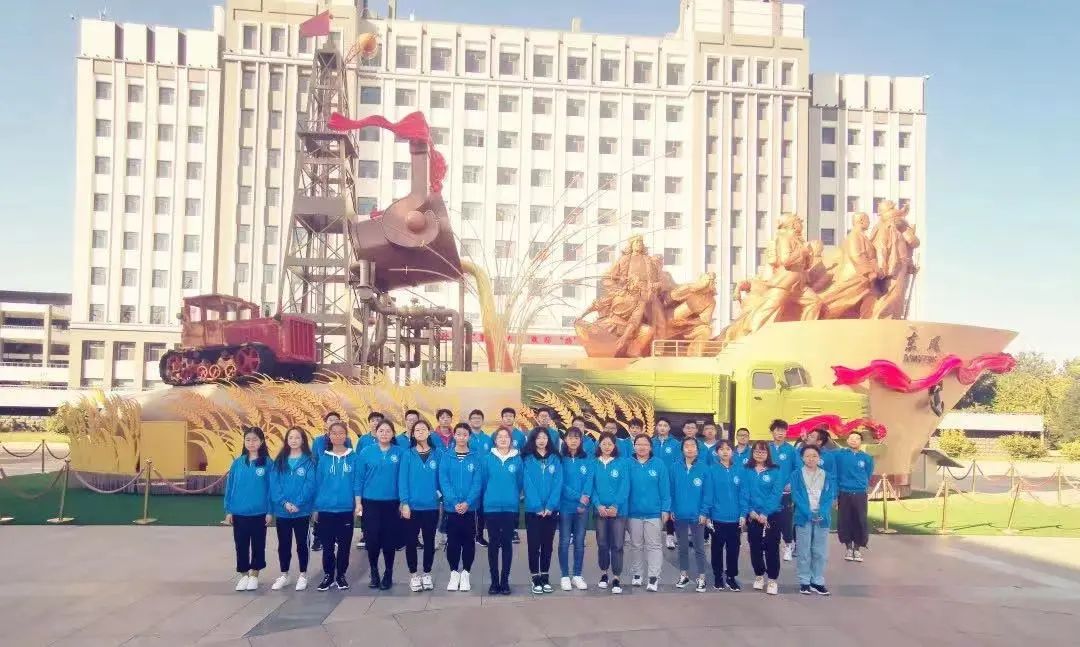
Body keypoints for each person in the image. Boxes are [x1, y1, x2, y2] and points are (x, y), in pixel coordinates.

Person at [312, 421, 361, 591]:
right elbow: (317, 484)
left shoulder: (354, 458)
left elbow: (357, 483)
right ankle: (328, 576)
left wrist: (356, 505)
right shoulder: (324, 459)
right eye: (334, 433)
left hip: (346, 509)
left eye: (341, 433)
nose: (338, 436)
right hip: (325, 510)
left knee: (344, 546)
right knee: (327, 546)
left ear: (346, 436)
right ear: (329, 436)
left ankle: (341, 575)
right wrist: (316, 508)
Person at [356, 419, 404, 590]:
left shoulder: (400, 452)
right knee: (372, 539)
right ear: (375, 433)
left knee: (389, 540)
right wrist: (358, 502)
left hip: (392, 503)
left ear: (393, 434)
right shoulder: (366, 452)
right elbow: (359, 479)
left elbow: (403, 479)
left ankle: (388, 573)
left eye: (388, 431)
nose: (384, 434)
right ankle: (374, 571)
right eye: (381, 431)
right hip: (370, 503)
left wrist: (403, 501)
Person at [225, 427, 272, 592]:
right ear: (244, 442)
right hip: (239, 513)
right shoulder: (238, 463)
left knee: (258, 545)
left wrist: (270, 511)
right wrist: (229, 510)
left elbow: (271, 489)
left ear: (262, 441)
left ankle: (254, 575)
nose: (251, 443)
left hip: (259, 513)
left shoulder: (267, 463)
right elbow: (230, 487)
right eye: (248, 440)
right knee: (241, 545)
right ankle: (244, 575)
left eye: (255, 440)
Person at [269, 427, 315, 591]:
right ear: (286, 440)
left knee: (302, 544)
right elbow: (274, 485)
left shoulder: (309, 461)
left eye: (297, 438)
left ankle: (303, 575)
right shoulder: (279, 461)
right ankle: (285, 575)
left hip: (302, 512)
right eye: (291, 438)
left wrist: (298, 503)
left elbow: (310, 485)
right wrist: (284, 503)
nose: (294, 440)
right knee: (284, 544)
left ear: (303, 440)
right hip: (283, 512)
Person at [439, 423, 482, 592]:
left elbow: (477, 482)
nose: (462, 437)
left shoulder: (475, 457)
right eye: (459, 434)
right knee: (453, 542)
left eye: (465, 434)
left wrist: (467, 502)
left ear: (469, 437)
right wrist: (454, 501)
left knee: (469, 541)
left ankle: (466, 574)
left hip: (470, 509)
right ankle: (454, 573)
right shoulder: (446, 456)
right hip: (452, 508)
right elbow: (444, 481)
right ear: (454, 436)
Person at [400, 419, 441, 592]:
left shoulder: (438, 454)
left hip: (431, 507)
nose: (420, 432)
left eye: (423, 429)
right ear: (413, 434)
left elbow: (442, 478)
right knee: (410, 541)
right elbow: (402, 481)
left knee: (429, 541)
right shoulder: (407, 454)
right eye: (417, 430)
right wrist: (405, 503)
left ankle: (426, 573)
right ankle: (414, 575)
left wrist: (439, 495)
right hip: (412, 507)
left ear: (429, 432)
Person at [481, 426, 524, 594]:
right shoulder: (487, 459)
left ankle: (505, 582)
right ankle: (494, 582)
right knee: (493, 543)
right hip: (491, 507)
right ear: (495, 440)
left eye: (506, 436)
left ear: (511, 440)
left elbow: (519, 483)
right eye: (500, 436)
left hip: (510, 507)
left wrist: (512, 496)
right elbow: (484, 482)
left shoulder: (517, 459)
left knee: (507, 543)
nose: (503, 439)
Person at [627, 434, 672, 592]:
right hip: (633, 513)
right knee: (636, 545)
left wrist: (665, 509)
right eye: (638, 444)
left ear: (650, 447)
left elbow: (665, 489)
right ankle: (637, 574)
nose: (642, 447)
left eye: (645, 444)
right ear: (634, 446)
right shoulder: (627, 463)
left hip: (653, 513)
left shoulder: (658, 464)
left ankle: (653, 577)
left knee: (654, 546)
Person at [522, 426, 563, 594]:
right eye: (538, 438)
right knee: (534, 545)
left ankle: (545, 576)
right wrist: (538, 506)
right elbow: (527, 484)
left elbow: (558, 483)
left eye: (544, 438)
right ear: (533, 440)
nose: (541, 440)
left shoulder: (555, 459)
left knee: (547, 545)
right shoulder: (527, 459)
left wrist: (550, 506)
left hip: (551, 511)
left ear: (549, 440)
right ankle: (535, 577)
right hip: (533, 510)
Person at [791, 445, 836, 595]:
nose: (811, 459)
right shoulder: (796, 474)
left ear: (819, 458)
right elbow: (796, 495)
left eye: (814, 456)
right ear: (802, 458)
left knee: (819, 551)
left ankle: (817, 581)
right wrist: (808, 512)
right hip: (803, 517)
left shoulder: (826, 475)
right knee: (804, 550)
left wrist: (822, 511)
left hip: (822, 517)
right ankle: (804, 581)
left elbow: (829, 496)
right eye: (807, 456)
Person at [670, 437, 710, 592]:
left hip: (697, 515)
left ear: (697, 450)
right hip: (679, 514)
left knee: (699, 547)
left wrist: (704, 512)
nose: (689, 448)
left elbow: (708, 493)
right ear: (682, 450)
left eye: (693, 446)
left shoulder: (704, 468)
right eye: (686, 446)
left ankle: (702, 578)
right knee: (682, 547)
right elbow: (671, 490)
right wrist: (672, 509)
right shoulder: (674, 467)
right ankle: (684, 575)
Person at [705, 440, 745, 591]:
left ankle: (731, 577)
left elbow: (744, 494)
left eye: (728, 449)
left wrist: (743, 513)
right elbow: (708, 494)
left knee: (733, 549)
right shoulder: (711, 470)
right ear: (717, 453)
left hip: (735, 518)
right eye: (721, 449)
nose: (725, 451)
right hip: (717, 517)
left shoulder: (740, 470)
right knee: (716, 549)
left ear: (732, 452)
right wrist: (708, 515)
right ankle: (717, 576)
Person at [558, 427, 594, 591]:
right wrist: (577, 497)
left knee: (579, 542)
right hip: (565, 507)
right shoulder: (560, 459)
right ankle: (565, 576)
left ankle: (577, 575)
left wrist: (583, 501)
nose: (573, 440)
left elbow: (589, 481)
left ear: (581, 441)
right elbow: (560, 483)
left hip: (582, 508)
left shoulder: (587, 459)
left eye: (577, 438)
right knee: (564, 541)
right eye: (570, 437)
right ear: (565, 440)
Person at [745, 440, 784, 595]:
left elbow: (776, 494)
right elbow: (743, 493)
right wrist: (750, 511)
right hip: (753, 516)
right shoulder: (746, 470)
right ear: (752, 453)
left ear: (768, 453)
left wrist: (765, 512)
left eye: (763, 451)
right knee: (755, 547)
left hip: (772, 515)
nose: (759, 454)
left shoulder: (775, 471)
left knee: (772, 547)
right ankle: (759, 575)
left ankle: (772, 579)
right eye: (756, 451)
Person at [593, 432, 629, 594]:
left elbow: (625, 486)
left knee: (617, 545)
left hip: (618, 512)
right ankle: (604, 574)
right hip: (600, 511)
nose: (607, 447)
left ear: (614, 446)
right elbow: (591, 487)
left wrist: (615, 506)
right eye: (604, 443)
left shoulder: (622, 463)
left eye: (610, 444)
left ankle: (616, 577)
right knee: (602, 544)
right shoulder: (594, 463)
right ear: (599, 444)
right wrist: (598, 505)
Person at [311, 412, 352, 552]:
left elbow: (349, 457)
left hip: (341, 479)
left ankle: (337, 539)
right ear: (325, 423)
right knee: (322, 512)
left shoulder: (347, 440)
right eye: (330, 420)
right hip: (324, 480)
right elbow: (314, 460)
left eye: (336, 419)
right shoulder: (318, 441)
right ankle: (318, 538)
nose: (333, 421)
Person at [836, 430, 874, 562]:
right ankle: (848, 548)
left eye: (856, 438)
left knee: (860, 520)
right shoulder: (840, 455)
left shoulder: (866, 458)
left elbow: (868, 474)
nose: (853, 440)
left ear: (861, 442)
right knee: (845, 520)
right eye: (851, 438)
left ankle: (857, 549)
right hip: (844, 492)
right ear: (847, 441)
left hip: (859, 493)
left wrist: (861, 486)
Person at [767, 419, 797, 561]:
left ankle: (788, 545)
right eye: (777, 430)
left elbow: (797, 469)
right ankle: (769, 545)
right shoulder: (766, 448)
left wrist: (791, 483)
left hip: (785, 492)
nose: (780, 433)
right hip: (768, 492)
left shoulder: (791, 450)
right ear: (772, 432)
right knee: (769, 519)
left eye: (783, 431)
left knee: (786, 520)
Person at [651, 418, 679, 550]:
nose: (662, 427)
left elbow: (678, 462)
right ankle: (653, 536)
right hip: (652, 479)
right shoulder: (651, 442)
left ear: (669, 428)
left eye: (665, 425)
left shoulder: (676, 444)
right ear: (656, 427)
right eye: (660, 425)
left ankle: (670, 535)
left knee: (669, 506)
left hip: (669, 480)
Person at [466, 409, 492, 546]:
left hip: (485, 481)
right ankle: (468, 536)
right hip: (469, 480)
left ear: (482, 421)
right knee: (469, 508)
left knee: (482, 510)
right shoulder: (465, 437)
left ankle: (479, 536)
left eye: (479, 418)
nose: (476, 420)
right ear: (469, 421)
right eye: (474, 418)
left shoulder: (488, 439)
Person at [433, 408, 455, 548]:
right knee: (437, 507)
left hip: (452, 477)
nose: (445, 419)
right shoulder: (432, 436)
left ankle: (445, 534)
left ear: (451, 419)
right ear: (438, 420)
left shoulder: (456, 435)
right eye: (442, 417)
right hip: (435, 476)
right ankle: (435, 536)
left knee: (449, 506)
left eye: (448, 417)